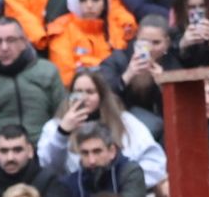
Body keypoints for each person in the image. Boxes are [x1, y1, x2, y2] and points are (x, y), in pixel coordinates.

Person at [38, 67, 166, 186]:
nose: (83, 98)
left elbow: (155, 161)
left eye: (90, 92)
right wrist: (62, 133)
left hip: (120, 193)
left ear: (101, 95)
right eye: (78, 92)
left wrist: (127, 183)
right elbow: (49, 167)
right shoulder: (54, 126)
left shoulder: (125, 122)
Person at [0, 16, 67, 157]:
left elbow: (63, 117)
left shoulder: (48, 71)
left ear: (23, 42)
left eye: (11, 40)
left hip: (42, 154)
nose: (4, 47)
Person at [44, 0, 135, 88]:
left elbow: (123, 66)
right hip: (79, 91)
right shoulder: (62, 30)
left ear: (105, 2)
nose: (90, 5)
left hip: (115, 90)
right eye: (83, 0)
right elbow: (64, 75)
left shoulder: (116, 27)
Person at [95, 13, 177, 134]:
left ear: (167, 43)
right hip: (118, 118)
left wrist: (164, 84)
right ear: (136, 38)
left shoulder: (172, 63)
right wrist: (126, 76)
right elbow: (100, 93)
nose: (150, 48)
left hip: (160, 124)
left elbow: (181, 105)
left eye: (156, 43)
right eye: (144, 41)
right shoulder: (119, 59)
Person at [59, 122, 147, 197]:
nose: (91, 160)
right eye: (85, 153)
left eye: (97, 152)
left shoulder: (130, 172)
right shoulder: (71, 181)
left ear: (112, 151)